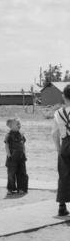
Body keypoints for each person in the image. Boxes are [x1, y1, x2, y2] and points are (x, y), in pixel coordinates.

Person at [52, 84, 70, 216]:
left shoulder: (58, 113)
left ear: (64, 96)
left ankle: (62, 206)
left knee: (64, 175)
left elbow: (54, 133)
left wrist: (59, 149)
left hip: (65, 144)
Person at [4, 118, 28, 195]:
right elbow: (6, 146)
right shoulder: (8, 135)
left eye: (19, 123)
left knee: (22, 173)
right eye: (16, 123)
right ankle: (10, 189)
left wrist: (25, 154)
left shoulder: (21, 134)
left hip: (21, 157)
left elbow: (23, 145)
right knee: (11, 174)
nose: (18, 124)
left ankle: (21, 188)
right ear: (10, 126)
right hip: (12, 157)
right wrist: (9, 155)